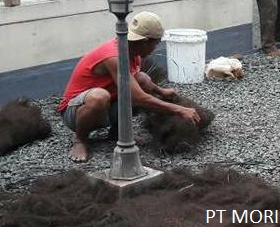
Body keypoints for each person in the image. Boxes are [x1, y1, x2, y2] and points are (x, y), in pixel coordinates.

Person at [57, 11, 201, 162]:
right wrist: (179, 109)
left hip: (105, 108)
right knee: (99, 97)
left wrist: (161, 91)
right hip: (74, 112)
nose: (155, 48)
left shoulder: (132, 51)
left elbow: (137, 82)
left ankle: (117, 133)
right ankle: (80, 140)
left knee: (142, 79)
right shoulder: (114, 57)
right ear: (145, 41)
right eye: (156, 44)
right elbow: (138, 98)